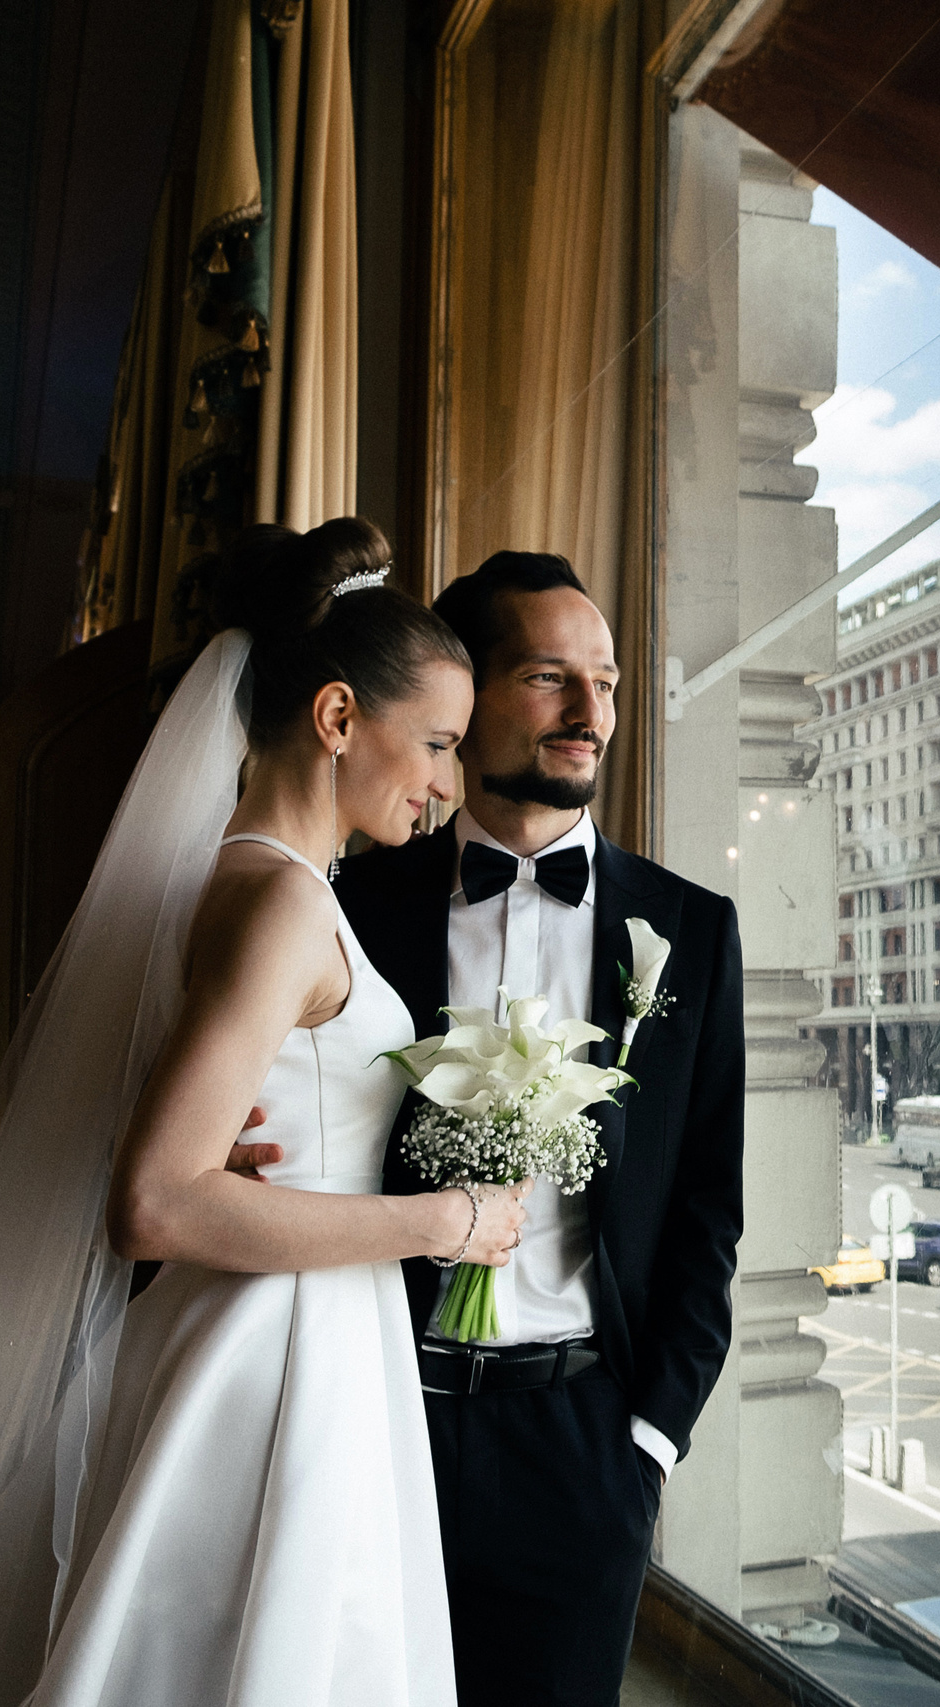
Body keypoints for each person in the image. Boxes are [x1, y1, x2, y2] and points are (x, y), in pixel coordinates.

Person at [0, 519, 527, 1705]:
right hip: (279, 1357)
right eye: (434, 742)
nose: (446, 782)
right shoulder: (279, 906)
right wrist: (446, 1224)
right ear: (334, 720)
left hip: (281, 1332)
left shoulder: (238, 879)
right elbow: (155, 1201)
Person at [337, 551, 744, 1707]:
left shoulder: (692, 930)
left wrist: (650, 1440)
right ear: (465, 697)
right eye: (551, 678)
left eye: (606, 684)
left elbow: (710, 1207)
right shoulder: (350, 907)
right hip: (378, 1419)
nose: (590, 715)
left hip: (584, 1445)